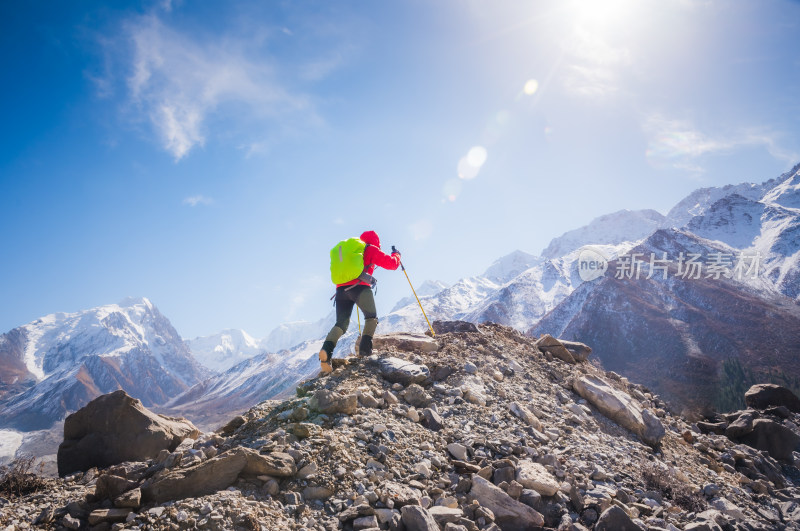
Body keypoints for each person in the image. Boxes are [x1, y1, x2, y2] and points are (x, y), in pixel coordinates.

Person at [319, 230, 401, 374]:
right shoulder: (370, 249)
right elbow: (392, 264)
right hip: (360, 289)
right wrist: (397, 255)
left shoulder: (354, 250)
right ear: (376, 243)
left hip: (340, 291)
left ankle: (326, 351)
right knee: (371, 318)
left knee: (341, 324)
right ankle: (365, 352)